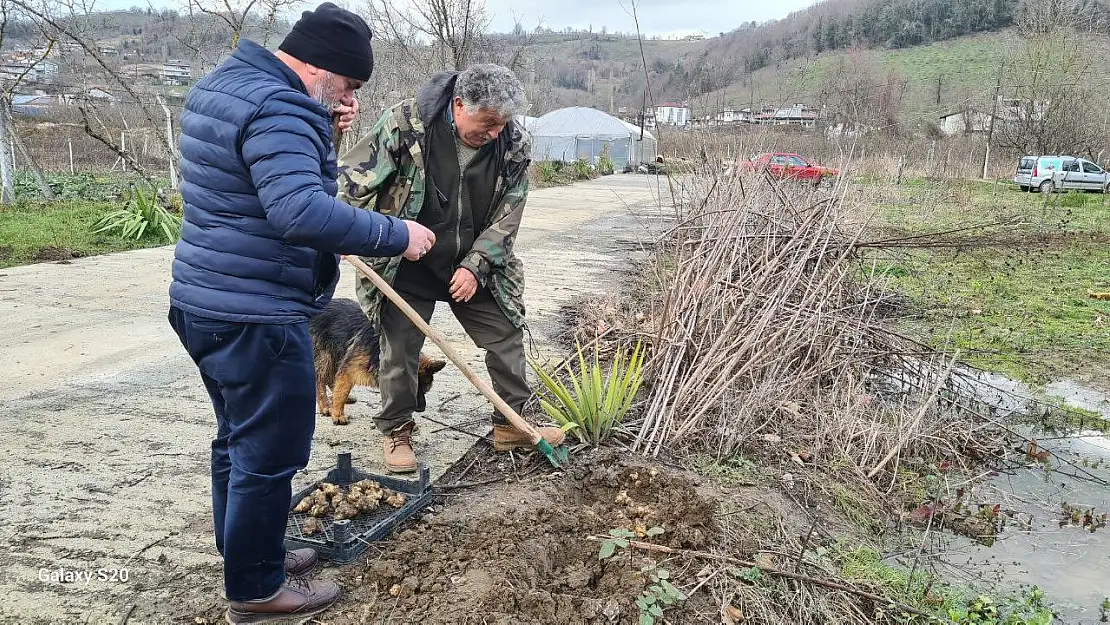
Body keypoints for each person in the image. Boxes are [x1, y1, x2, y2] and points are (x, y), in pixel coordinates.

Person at [166, 3, 436, 622]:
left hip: (204, 301)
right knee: (271, 451)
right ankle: (258, 593)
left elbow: (268, 183)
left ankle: (248, 553)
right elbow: (299, 212)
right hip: (255, 312)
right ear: (320, 66)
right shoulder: (283, 107)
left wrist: (328, 128)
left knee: (237, 439)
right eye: (349, 86)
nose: (350, 98)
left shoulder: (227, 84)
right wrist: (397, 234)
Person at [337, 63, 564, 474]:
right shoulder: (406, 125)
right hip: (406, 260)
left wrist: (477, 265)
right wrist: (339, 231)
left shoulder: (512, 143)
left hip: (476, 264)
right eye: (488, 122)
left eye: (503, 123)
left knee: (506, 336)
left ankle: (512, 423)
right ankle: (396, 428)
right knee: (398, 349)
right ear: (459, 105)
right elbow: (352, 181)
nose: (495, 132)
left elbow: (509, 214)